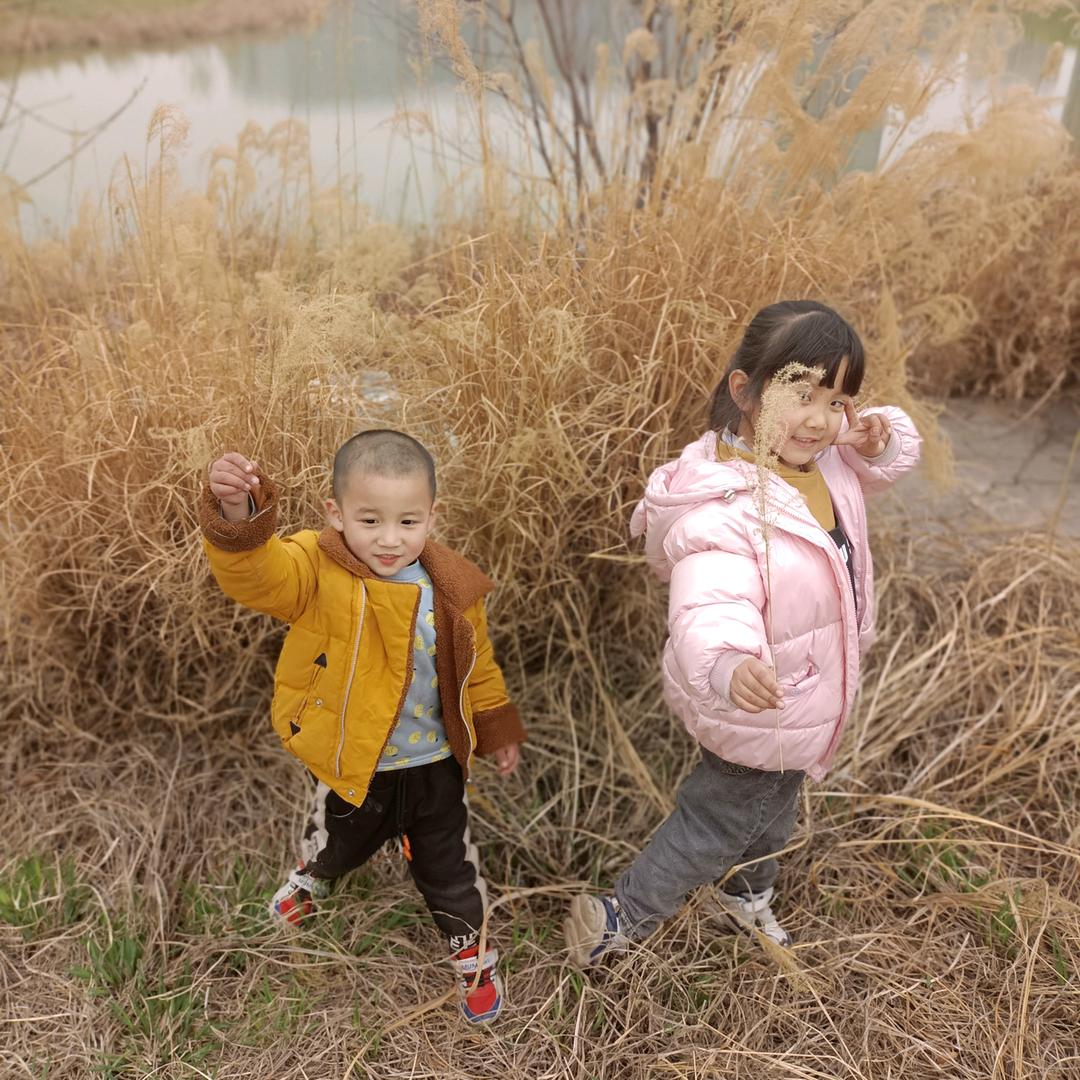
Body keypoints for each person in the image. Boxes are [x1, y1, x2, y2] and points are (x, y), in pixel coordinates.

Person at [565, 299, 921, 964]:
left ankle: (744, 898)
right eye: (801, 393)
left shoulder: (827, 465)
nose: (819, 419)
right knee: (715, 821)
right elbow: (710, 605)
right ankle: (622, 918)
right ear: (747, 391)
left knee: (770, 812)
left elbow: (888, 459)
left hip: (803, 693)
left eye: (838, 401)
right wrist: (728, 664)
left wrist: (877, 433)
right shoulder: (728, 504)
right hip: (757, 697)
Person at [200, 429, 525, 1024]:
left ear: (432, 516)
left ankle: (471, 955)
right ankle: (313, 878)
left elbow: (478, 666)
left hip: (434, 768)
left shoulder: (453, 588)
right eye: (369, 520)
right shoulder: (317, 571)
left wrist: (496, 724)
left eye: (407, 522)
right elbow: (256, 574)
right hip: (359, 764)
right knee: (339, 840)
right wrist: (237, 513)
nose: (388, 539)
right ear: (336, 514)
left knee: (449, 867)